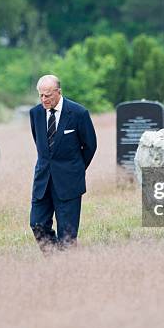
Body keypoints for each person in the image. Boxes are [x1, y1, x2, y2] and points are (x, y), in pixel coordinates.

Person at [29, 75, 97, 252]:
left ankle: (65, 266)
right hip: (43, 181)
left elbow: (90, 145)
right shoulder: (35, 113)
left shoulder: (78, 113)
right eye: (41, 95)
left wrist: (76, 169)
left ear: (59, 92)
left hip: (69, 182)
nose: (44, 99)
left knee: (67, 235)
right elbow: (40, 144)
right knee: (37, 224)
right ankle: (54, 257)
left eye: (48, 95)